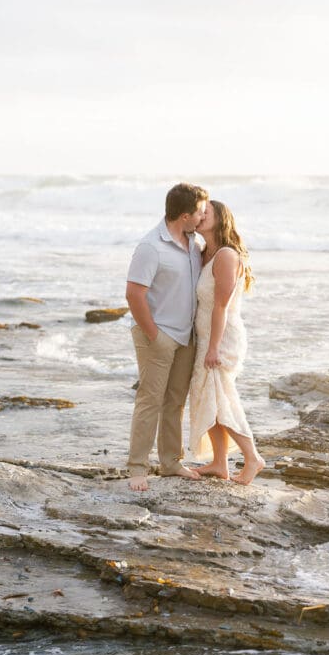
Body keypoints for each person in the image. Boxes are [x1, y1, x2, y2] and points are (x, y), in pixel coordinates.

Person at [125, 182, 208, 491]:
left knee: (175, 402)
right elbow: (134, 294)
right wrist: (153, 334)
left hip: (186, 335)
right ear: (184, 215)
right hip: (157, 333)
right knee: (150, 400)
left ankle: (171, 462)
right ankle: (137, 468)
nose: (203, 216)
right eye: (200, 211)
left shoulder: (194, 243)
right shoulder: (151, 246)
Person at [188, 199, 265, 485]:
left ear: (221, 218)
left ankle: (253, 457)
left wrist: (213, 348)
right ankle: (220, 463)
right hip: (207, 336)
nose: (200, 216)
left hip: (222, 337)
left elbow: (221, 306)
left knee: (222, 399)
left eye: (206, 212)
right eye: (199, 212)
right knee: (209, 398)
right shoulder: (202, 252)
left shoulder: (226, 256)